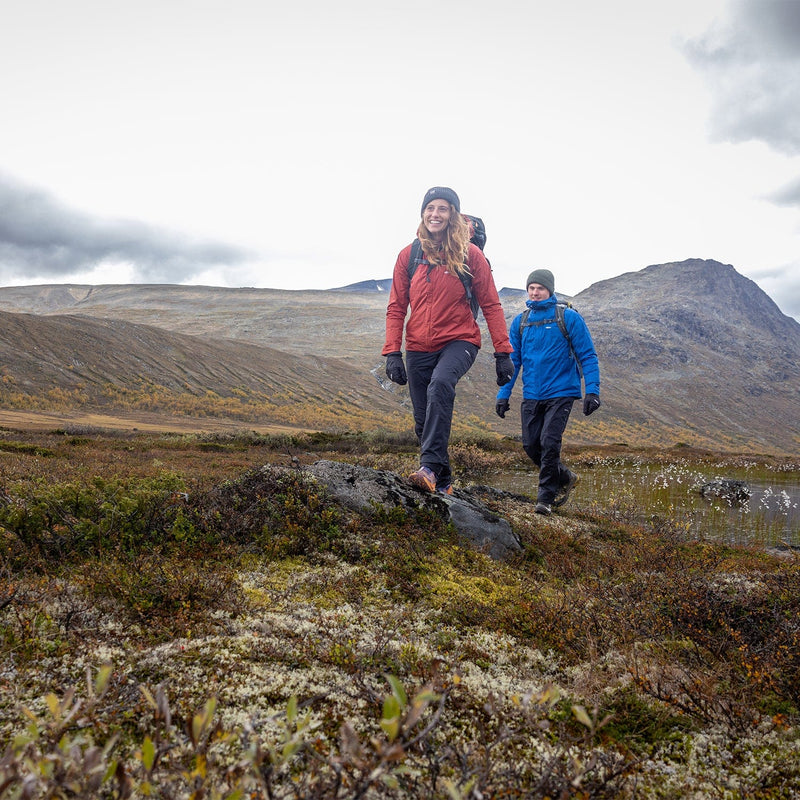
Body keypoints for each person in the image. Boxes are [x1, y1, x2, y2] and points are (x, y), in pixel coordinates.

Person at [383, 186, 514, 495]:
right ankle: (444, 484)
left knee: (440, 384)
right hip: (418, 345)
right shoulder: (409, 255)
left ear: (453, 214)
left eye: (443, 208)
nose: (435, 214)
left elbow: (491, 305)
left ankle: (428, 469)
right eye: (430, 208)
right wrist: (393, 352)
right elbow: (397, 306)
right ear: (423, 213)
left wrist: (503, 352)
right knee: (423, 421)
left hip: (459, 341)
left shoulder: (471, 255)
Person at [495, 268, 601, 515]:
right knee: (530, 445)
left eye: (540, 288)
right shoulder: (521, 322)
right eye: (531, 288)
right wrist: (503, 394)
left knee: (549, 442)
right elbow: (514, 361)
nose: (535, 292)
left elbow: (587, 355)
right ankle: (565, 476)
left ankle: (545, 498)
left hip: (562, 391)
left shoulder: (568, 318)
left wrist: (592, 391)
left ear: (549, 290)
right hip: (532, 393)